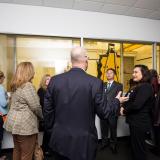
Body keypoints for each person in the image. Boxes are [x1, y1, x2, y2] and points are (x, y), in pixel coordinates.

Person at [44, 47, 128, 160]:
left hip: (59, 140)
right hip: (84, 142)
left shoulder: (55, 80)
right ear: (86, 60)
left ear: (71, 60)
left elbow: (48, 111)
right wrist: (117, 101)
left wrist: (52, 131)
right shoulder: (95, 83)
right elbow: (105, 112)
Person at [4, 62, 43, 160]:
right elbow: (36, 107)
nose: (34, 72)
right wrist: (43, 117)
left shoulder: (15, 86)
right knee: (26, 155)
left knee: (17, 150)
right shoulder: (27, 86)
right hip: (25, 126)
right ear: (29, 72)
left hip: (15, 124)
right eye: (33, 70)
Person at [120, 64, 154, 160]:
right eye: (133, 72)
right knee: (136, 148)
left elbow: (137, 105)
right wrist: (122, 105)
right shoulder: (138, 86)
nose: (133, 74)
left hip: (140, 123)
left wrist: (124, 110)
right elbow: (130, 100)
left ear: (144, 74)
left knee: (139, 149)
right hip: (135, 122)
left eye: (136, 72)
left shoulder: (145, 87)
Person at [100, 68, 123, 153]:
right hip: (103, 111)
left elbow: (118, 99)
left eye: (111, 73)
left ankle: (113, 145)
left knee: (113, 129)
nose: (108, 74)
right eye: (107, 73)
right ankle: (104, 143)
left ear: (114, 75)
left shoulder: (119, 85)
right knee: (104, 129)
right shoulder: (102, 84)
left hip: (113, 111)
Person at [37, 74, 51, 155]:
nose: (49, 81)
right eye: (48, 79)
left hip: (49, 114)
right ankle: (45, 150)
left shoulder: (49, 90)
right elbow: (43, 103)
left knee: (49, 133)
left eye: (50, 79)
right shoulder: (41, 90)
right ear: (44, 80)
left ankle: (48, 149)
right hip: (44, 115)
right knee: (47, 133)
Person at [0, 71, 9, 160]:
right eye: (3, 77)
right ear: (1, 78)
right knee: (0, 136)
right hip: (1, 115)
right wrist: (8, 99)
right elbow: (3, 104)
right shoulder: (1, 88)